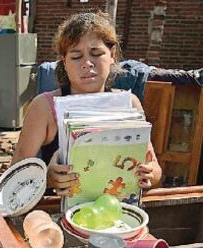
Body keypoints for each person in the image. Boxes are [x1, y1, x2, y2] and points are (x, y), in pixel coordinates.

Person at [12, 12, 162, 195]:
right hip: (60, 214)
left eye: (96, 53)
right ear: (64, 62)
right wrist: (48, 178)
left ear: (112, 54)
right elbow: (14, 176)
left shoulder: (130, 103)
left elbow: (155, 170)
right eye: (76, 57)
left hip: (117, 214)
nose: (87, 63)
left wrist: (149, 174)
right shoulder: (44, 107)